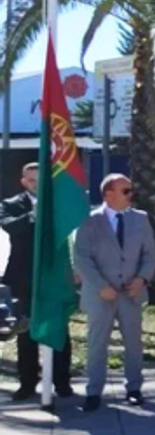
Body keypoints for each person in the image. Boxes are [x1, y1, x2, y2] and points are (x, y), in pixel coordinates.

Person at [74, 174, 155, 412]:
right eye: (126, 191)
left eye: (131, 190)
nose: (131, 194)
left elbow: (150, 254)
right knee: (97, 344)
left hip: (131, 294)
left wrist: (142, 279)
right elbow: (81, 257)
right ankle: (94, 392)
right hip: (100, 294)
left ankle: (134, 389)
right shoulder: (90, 221)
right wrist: (101, 286)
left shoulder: (141, 220)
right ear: (108, 194)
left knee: (133, 343)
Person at [0, 162, 73, 401]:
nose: (36, 184)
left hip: (53, 274)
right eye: (31, 180)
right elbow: (10, 227)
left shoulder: (58, 204)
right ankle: (28, 383)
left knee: (59, 328)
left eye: (40, 180)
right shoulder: (11, 204)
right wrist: (33, 214)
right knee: (27, 330)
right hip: (23, 277)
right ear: (23, 182)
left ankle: (62, 382)